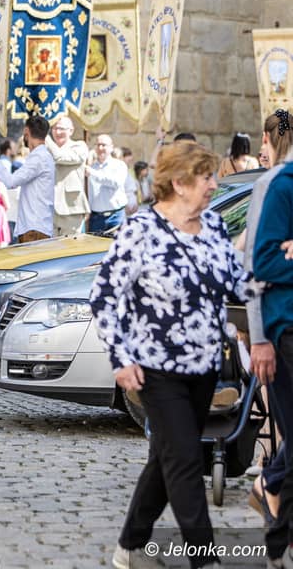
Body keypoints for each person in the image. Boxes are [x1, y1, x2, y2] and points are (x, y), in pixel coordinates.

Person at [91, 141, 256, 569]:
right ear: (180, 183)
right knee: (184, 459)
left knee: (166, 459)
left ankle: (129, 546)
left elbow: (239, 283)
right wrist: (120, 358)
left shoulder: (214, 225)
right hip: (156, 369)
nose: (214, 184)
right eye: (206, 177)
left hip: (205, 368)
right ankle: (205, 560)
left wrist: (279, 272)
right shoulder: (141, 229)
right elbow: (104, 296)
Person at [240, 109, 293, 562]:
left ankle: (273, 490)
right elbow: (258, 266)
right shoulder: (275, 185)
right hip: (283, 326)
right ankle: (272, 486)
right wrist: (258, 338)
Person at [0, 115, 55, 243]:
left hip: (34, 228)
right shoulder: (42, 156)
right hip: (34, 226)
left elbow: (11, 182)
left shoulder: (38, 157)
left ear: (27, 131)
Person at [45, 116, 89, 236]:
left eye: (61, 129)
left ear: (71, 130)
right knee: (50, 246)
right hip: (49, 208)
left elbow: (60, 157)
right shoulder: (47, 149)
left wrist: (46, 138)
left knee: (71, 245)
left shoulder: (79, 146)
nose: (57, 132)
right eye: (54, 128)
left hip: (71, 207)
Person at [86, 134, 130, 233]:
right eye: (98, 145)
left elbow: (116, 182)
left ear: (111, 147)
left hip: (116, 216)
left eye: (103, 145)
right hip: (96, 218)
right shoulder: (91, 167)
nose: (100, 148)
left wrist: (93, 174)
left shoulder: (119, 165)